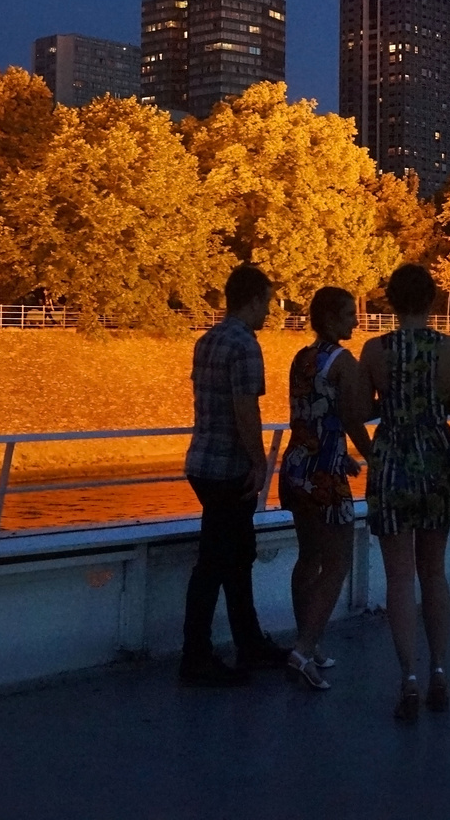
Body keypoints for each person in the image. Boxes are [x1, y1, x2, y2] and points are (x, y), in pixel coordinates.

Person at [360, 264, 450, 722]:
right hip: (437, 461)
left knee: (399, 577)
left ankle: (407, 676)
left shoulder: (374, 351)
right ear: (430, 301)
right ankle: (440, 671)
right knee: (434, 573)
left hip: (392, 463)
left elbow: (359, 410)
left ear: (391, 302)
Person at [178, 264, 290, 687]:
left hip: (202, 462)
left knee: (236, 554)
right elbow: (247, 410)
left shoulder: (207, 340)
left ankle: (248, 642)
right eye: (268, 301)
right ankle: (197, 656)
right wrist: (259, 463)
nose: (270, 311)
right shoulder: (245, 346)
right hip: (230, 468)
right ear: (253, 299)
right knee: (217, 562)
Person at [278, 286, 373, 690]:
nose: (356, 320)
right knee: (337, 563)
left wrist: (342, 454)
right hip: (325, 481)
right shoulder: (344, 363)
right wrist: (375, 455)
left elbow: (313, 417)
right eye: (350, 314)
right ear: (332, 318)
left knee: (308, 558)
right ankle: (302, 649)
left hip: (297, 468)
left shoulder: (301, 359)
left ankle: (309, 641)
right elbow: (353, 420)